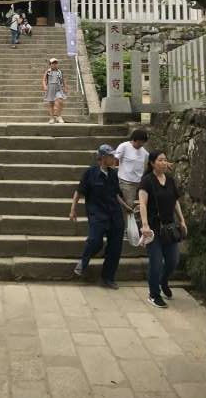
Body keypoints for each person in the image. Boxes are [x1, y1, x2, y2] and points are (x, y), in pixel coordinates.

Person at [70, 144, 133, 288]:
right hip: (97, 213)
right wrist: (73, 209)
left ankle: (108, 278)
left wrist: (126, 207)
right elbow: (79, 191)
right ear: (103, 158)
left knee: (115, 247)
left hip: (114, 213)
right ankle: (84, 261)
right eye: (111, 156)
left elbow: (116, 194)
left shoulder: (113, 174)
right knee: (94, 240)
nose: (114, 158)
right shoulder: (90, 173)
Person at [139, 151, 187, 308]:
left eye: (165, 160)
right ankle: (154, 294)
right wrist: (145, 225)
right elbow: (142, 204)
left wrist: (182, 220)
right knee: (156, 263)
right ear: (152, 163)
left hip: (169, 227)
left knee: (173, 261)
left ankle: (163, 280)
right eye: (160, 160)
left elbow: (176, 201)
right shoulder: (147, 181)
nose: (164, 162)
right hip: (153, 229)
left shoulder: (171, 181)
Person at [113, 129, 149, 215]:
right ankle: (126, 226)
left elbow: (151, 159)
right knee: (128, 206)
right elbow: (115, 159)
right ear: (134, 140)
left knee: (139, 205)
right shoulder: (124, 146)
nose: (142, 144)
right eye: (140, 142)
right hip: (126, 182)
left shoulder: (143, 151)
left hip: (139, 182)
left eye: (143, 142)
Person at [42, 58, 66, 123]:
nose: (55, 65)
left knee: (60, 101)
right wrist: (44, 86)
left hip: (58, 88)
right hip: (50, 88)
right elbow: (44, 79)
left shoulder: (59, 71)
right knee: (51, 104)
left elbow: (63, 79)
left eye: (56, 63)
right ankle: (52, 118)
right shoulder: (48, 71)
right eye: (53, 63)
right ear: (50, 64)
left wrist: (64, 87)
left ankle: (59, 116)